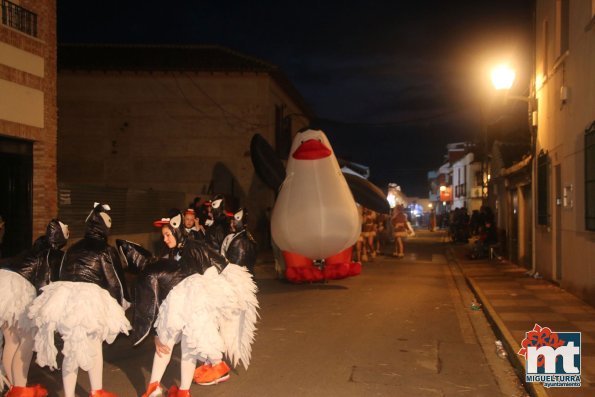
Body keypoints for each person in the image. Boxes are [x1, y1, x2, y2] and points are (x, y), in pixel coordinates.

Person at [131, 210, 258, 396]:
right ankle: (154, 387)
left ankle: (184, 389)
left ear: (177, 229)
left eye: (167, 234)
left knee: (187, 347)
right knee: (165, 343)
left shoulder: (194, 247)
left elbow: (216, 273)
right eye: (164, 236)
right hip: (177, 307)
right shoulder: (175, 251)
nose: (165, 239)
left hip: (194, 308)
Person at [29, 203, 131, 397]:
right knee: (93, 346)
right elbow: (115, 281)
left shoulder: (73, 247)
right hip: (89, 299)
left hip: (64, 300)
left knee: (70, 349)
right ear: (104, 226)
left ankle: (71, 394)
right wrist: (121, 305)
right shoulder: (105, 250)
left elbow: (61, 273)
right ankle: (96, 391)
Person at [0, 219, 69, 397]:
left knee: (12, 341)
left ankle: (15, 387)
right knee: (27, 341)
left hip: (3, 281)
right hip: (17, 289)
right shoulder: (51, 254)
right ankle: (20, 390)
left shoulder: (35, 249)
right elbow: (44, 283)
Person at [220, 208, 258, 274]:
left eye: (234, 221)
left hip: (238, 278)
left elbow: (236, 266)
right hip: (246, 276)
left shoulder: (240, 240)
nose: (231, 224)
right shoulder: (246, 235)